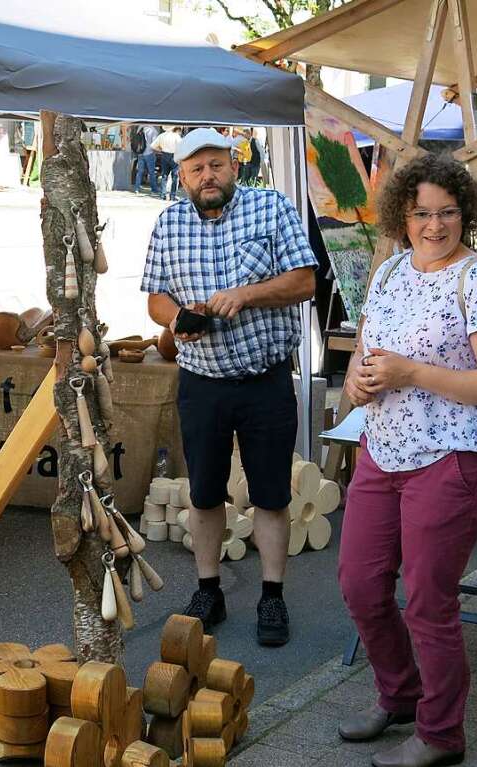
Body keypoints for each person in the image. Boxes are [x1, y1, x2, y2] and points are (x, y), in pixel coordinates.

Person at [337, 153, 477, 767]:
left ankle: (442, 734)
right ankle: (399, 694)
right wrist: (358, 385)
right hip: (382, 448)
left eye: (446, 213)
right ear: (403, 215)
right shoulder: (388, 274)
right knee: (361, 585)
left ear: (464, 214)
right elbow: (360, 364)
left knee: (427, 600)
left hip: (452, 455)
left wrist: (412, 372)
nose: (434, 226)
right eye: (421, 213)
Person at [140, 128, 317, 646]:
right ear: (182, 177)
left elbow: (305, 282)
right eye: (196, 169)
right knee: (204, 493)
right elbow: (155, 297)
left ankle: (272, 597)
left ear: (235, 167)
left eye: (216, 165)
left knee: (270, 494)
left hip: (265, 381)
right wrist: (177, 318)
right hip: (202, 382)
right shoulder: (168, 223)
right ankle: (208, 589)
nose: (207, 176)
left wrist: (248, 295)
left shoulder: (272, 208)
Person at [151, 126, 182, 201]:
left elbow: (152, 146)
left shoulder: (161, 136)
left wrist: (161, 149)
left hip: (164, 155)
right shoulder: (176, 136)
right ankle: (173, 195)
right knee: (175, 176)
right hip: (174, 156)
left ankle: (163, 194)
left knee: (164, 175)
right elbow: (181, 146)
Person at [131, 124, 162, 196]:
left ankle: (136, 189)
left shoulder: (140, 128)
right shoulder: (153, 130)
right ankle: (154, 190)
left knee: (140, 172)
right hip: (149, 153)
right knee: (151, 172)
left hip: (140, 153)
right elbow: (154, 145)